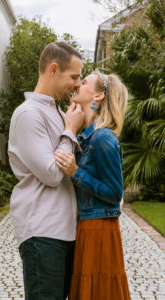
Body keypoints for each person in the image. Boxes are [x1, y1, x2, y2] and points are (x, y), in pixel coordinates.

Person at [8, 41, 85, 300]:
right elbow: (52, 174)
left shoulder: (59, 113)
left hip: (64, 230)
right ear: (53, 69)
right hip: (42, 232)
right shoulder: (28, 114)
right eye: (74, 77)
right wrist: (70, 130)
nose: (77, 84)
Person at [55, 71, 131, 300]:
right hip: (86, 225)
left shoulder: (103, 139)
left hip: (100, 228)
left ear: (98, 96)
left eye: (84, 81)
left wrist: (76, 173)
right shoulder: (86, 138)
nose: (78, 84)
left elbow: (115, 192)